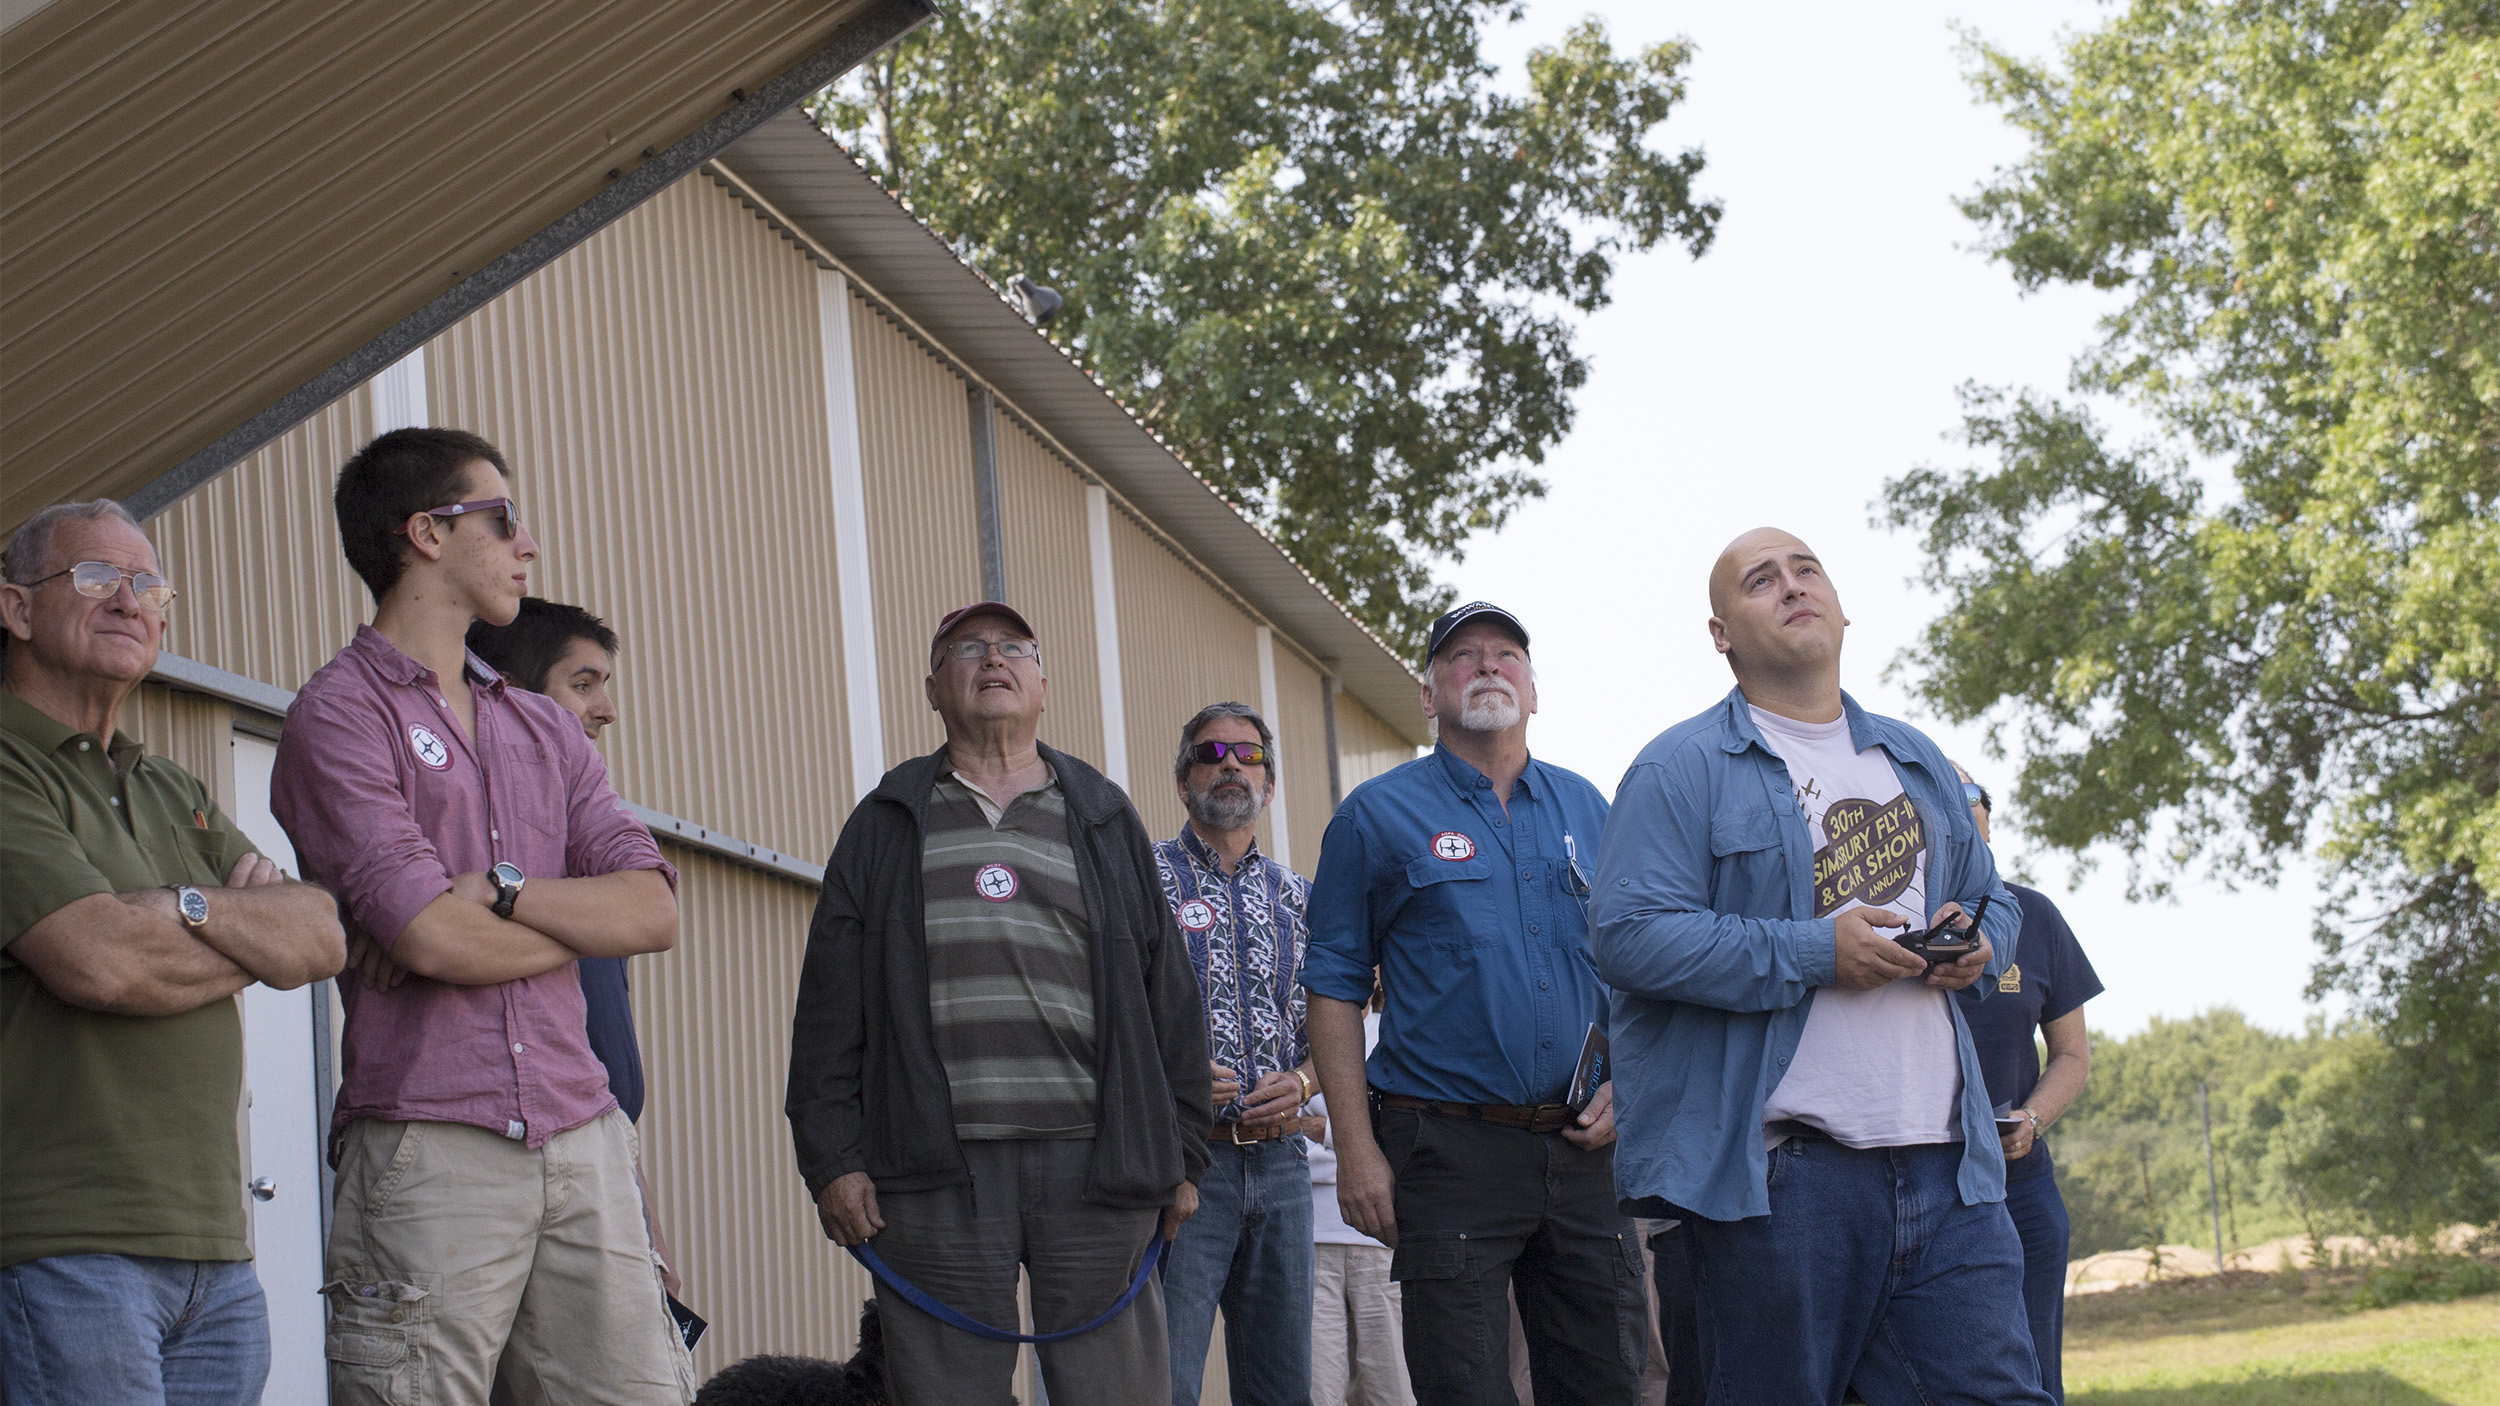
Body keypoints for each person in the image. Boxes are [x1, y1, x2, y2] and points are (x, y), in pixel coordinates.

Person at [272, 428, 695, 1405]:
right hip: (430, 1137)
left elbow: (652, 910)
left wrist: (501, 892)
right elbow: (433, 935)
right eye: (501, 519)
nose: (526, 543)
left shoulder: (544, 726)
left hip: (583, 1128)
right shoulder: (339, 713)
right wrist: (564, 922)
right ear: (426, 533)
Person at [1589, 527, 2046, 1406]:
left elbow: (1995, 896)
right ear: (1721, 634)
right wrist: (1814, 951)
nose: (1793, 586)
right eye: (1761, 580)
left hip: (1952, 1167)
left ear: (1840, 608)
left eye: (1808, 570)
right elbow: (1629, 936)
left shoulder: (1914, 757)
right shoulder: (1678, 768)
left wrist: (1980, 944)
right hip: (1779, 1178)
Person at [788, 600, 1213, 1406]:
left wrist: (1184, 1158)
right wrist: (833, 1162)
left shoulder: (1103, 814)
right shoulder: (886, 819)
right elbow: (828, 1010)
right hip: (931, 1170)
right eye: (967, 649)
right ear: (932, 688)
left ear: (1043, 684)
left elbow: (1170, 998)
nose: (992, 660)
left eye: (1014, 647)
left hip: (1100, 1166)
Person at [0, 500, 346, 1405]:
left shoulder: (168, 785)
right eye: (95, 578)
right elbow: (101, 961)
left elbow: (318, 934)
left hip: (217, 1259)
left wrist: (176, 910)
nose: (130, 601)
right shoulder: (7, 763)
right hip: (64, 1245)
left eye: (149, 586)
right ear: (17, 609)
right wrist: (240, 927)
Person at [1305, 601, 1646, 1406]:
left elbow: (1639, 968)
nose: (1488, 665)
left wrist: (1630, 1082)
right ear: (1429, 696)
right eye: (1462, 655)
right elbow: (1333, 989)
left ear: (1534, 691)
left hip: (1586, 1149)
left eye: (1506, 654)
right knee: (1463, 1388)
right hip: (1446, 1150)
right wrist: (1356, 1151)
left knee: (1604, 1383)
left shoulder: (1592, 809)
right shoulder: (1374, 816)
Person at [467, 598, 684, 1298]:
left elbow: (651, 919)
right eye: (582, 684)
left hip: (603, 1158)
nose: (606, 710)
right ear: (509, 693)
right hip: (502, 1167)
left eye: (604, 685)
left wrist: (645, 1226)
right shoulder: (473, 839)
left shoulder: (591, 849)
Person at [1153, 701, 1318, 1406]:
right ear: (1182, 781)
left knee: (1282, 1390)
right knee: (1166, 1384)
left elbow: (1332, 1029)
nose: (1230, 766)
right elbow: (1109, 1018)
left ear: (1269, 786)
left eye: (1248, 755)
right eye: (1211, 753)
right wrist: (1173, 1076)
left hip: (1283, 1168)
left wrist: (1304, 1082)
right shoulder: (1142, 881)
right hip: (1182, 1167)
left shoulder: (1302, 898)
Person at [1952, 765, 2100, 1404]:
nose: (1975, 851)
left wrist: (2032, 1121)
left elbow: (2072, 1054)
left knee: (2036, 1380)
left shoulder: (2034, 916)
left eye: (1981, 832)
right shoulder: (1886, 924)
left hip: (2022, 1190)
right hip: (1925, 1188)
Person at [1307, 995, 1412, 1406]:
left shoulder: (1396, 1033)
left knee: (1394, 1389)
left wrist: (1323, 1131)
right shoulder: (1296, 1034)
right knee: (1318, 1392)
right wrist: (1357, 1149)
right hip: (1310, 1239)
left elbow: (1396, 1139)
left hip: (1381, 1237)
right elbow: (1287, 1138)